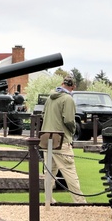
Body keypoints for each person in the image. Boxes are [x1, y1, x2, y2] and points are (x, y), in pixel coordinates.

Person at [40, 76, 87, 204]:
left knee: (49, 171)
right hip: (61, 138)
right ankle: (79, 201)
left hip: (46, 137)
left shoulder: (50, 98)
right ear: (73, 87)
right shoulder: (68, 99)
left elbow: (43, 115)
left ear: (62, 84)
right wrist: (72, 131)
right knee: (69, 170)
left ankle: (48, 199)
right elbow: (69, 120)